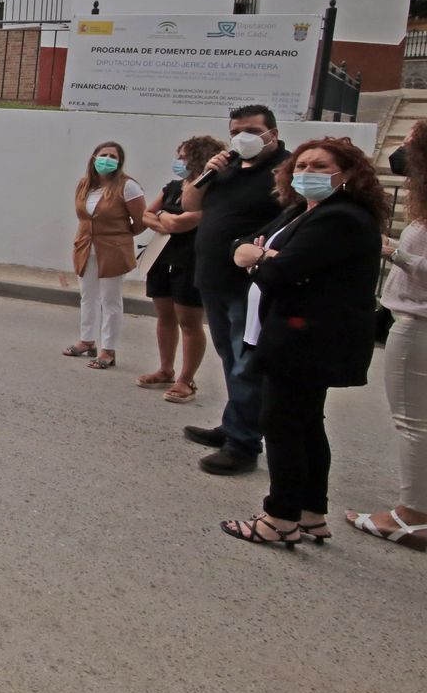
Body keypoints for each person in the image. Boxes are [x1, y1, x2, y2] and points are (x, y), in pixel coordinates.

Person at [220, 137, 386, 548]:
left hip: (309, 338)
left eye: (319, 166)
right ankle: (311, 513)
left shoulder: (342, 218)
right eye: (302, 165)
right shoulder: (301, 212)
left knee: (282, 424)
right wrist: (254, 254)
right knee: (306, 423)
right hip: (294, 332)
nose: (306, 173)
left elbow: (281, 271)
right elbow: (240, 243)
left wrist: (257, 258)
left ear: (346, 173)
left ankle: (279, 518)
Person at [179, 104, 291, 475]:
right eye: (236, 130)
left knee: (246, 365)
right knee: (230, 359)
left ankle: (243, 445)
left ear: (272, 133)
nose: (243, 137)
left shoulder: (284, 171)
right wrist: (208, 174)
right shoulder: (226, 169)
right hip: (213, 278)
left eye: (252, 130)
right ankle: (233, 426)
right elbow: (190, 205)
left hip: (249, 283)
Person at [349, 122, 427, 550]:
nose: (401, 151)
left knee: (412, 421)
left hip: (418, 323)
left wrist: (393, 251)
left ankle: (412, 515)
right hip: (415, 319)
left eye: (409, 144)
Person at [138, 135, 224, 404]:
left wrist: (163, 217)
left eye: (184, 157)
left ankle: (186, 379)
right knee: (164, 316)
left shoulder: (210, 192)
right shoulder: (173, 187)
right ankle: (166, 369)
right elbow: (144, 215)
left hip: (191, 260)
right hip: (161, 258)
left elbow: (182, 224)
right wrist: (167, 218)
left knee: (189, 322)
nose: (179, 161)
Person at [65, 142, 145, 370]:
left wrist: (119, 236)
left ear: (120, 162)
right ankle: (86, 340)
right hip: (85, 247)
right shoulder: (84, 184)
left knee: (110, 300)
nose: (108, 159)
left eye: (113, 156)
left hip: (113, 250)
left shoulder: (127, 186)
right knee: (87, 296)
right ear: (93, 158)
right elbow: (83, 217)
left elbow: (140, 221)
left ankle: (108, 349)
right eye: (104, 155)